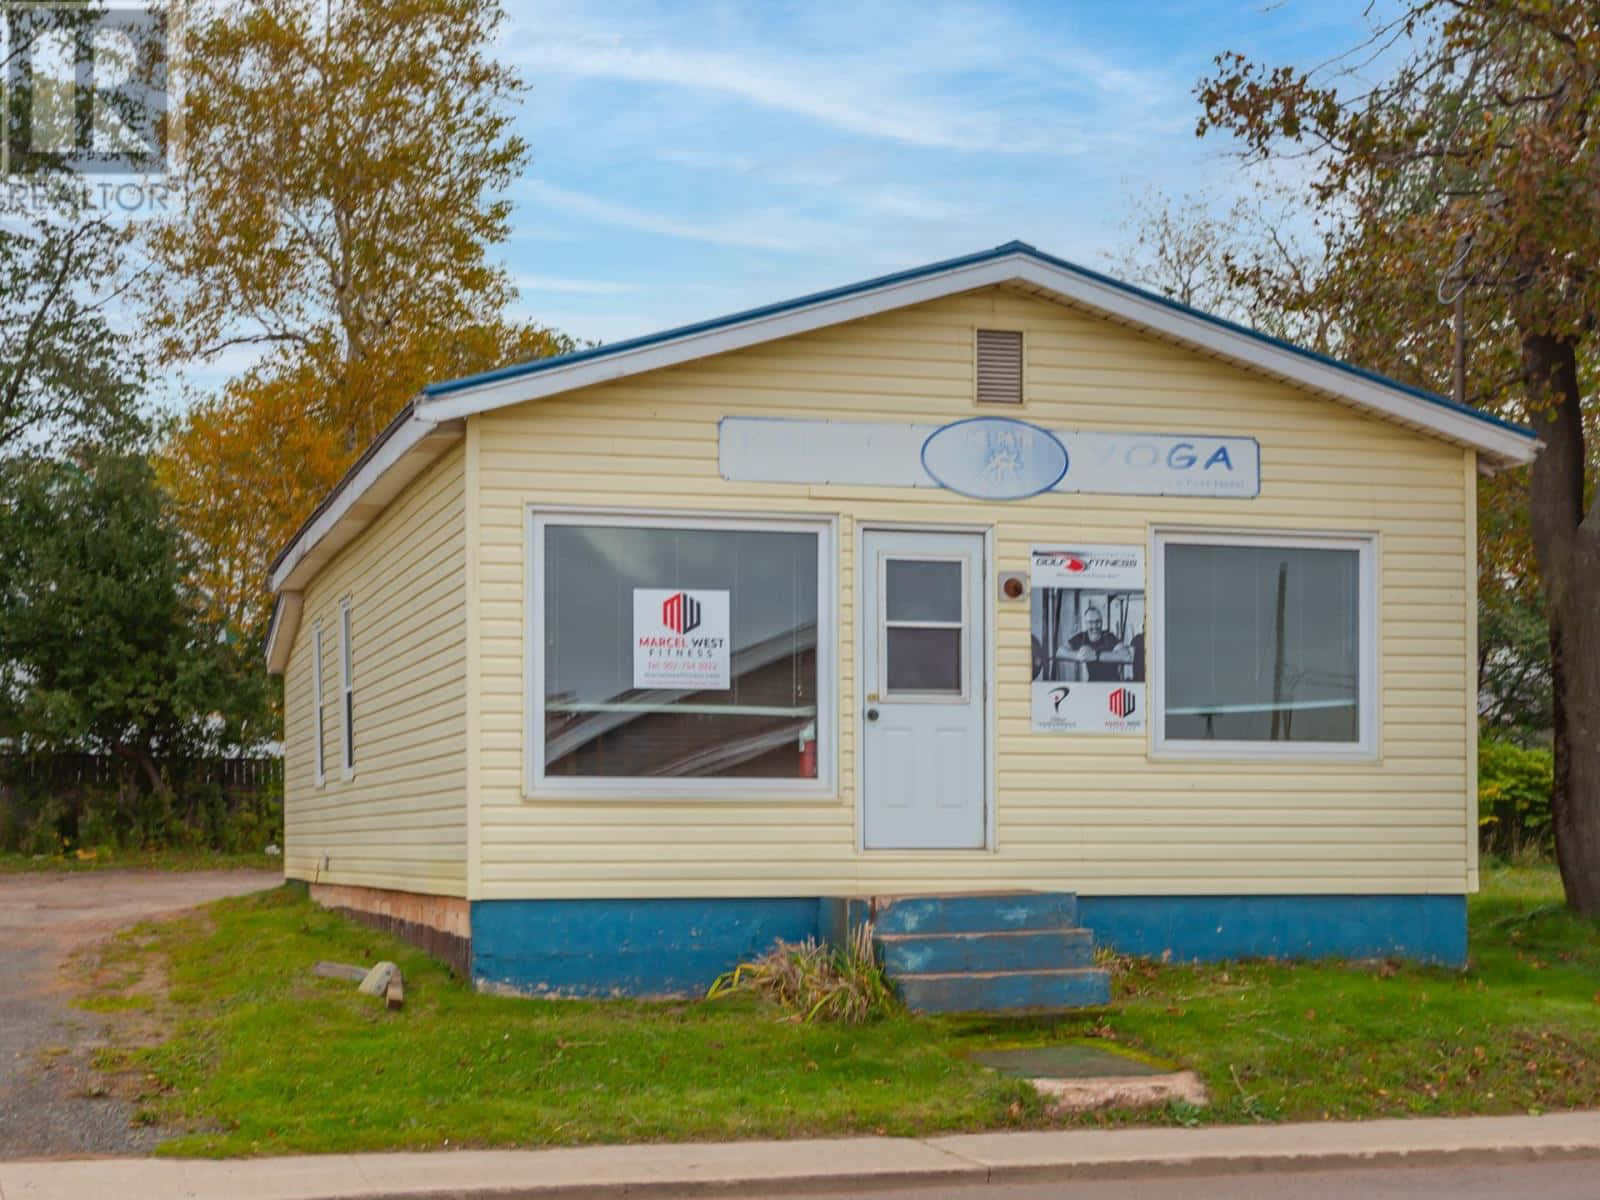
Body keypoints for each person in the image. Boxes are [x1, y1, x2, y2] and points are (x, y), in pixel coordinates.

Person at [1065, 606, 1130, 682]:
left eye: (1097, 622)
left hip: (1113, 683)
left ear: (1101, 622)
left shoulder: (1109, 637)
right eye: (1090, 622)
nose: (1094, 626)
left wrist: (1096, 656)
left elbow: (1126, 655)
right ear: (1086, 623)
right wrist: (1079, 655)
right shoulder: (1082, 637)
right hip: (1093, 683)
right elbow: (1060, 651)